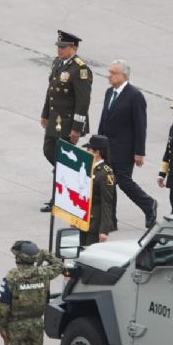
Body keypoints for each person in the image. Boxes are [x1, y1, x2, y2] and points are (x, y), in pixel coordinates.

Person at [97, 60, 157, 229]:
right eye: (109, 72)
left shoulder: (135, 96)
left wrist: (139, 152)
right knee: (108, 183)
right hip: (107, 148)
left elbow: (140, 126)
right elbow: (104, 120)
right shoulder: (109, 92)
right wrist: (97, 144)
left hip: (124, 149)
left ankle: (149, 204)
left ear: (124, 75)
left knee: (123, 182)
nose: (110, 75)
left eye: (113, 73)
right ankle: (111, 220)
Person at [40, 30, 93, 212]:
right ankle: (72, 177)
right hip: (55, 119)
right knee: (49, 151)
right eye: (59, 47)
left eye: (64, 47)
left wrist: (77, 129)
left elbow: (82, 102)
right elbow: (51, 91)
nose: (60, 50)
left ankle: (59, 198)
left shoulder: (80, 69)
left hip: (69, 122)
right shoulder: (57, 63)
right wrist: (45, 114)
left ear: (74, 48)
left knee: (62, 157)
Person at [0, 241, 64, 345]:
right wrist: (45, 254)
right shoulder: (44, 273)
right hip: (36, 324)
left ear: (18, 259)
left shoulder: (12, 277)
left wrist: (1, 326)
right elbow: (59, 265)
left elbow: (4, 306)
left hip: (16, 326)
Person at [80, 135, 115, 246]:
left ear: (97, 152)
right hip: (83, 218)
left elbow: (107, 203)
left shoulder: (106, 173)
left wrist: (104, 230)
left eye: (89, 149)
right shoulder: (87, 166)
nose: (87, 152)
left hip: (94, 222)